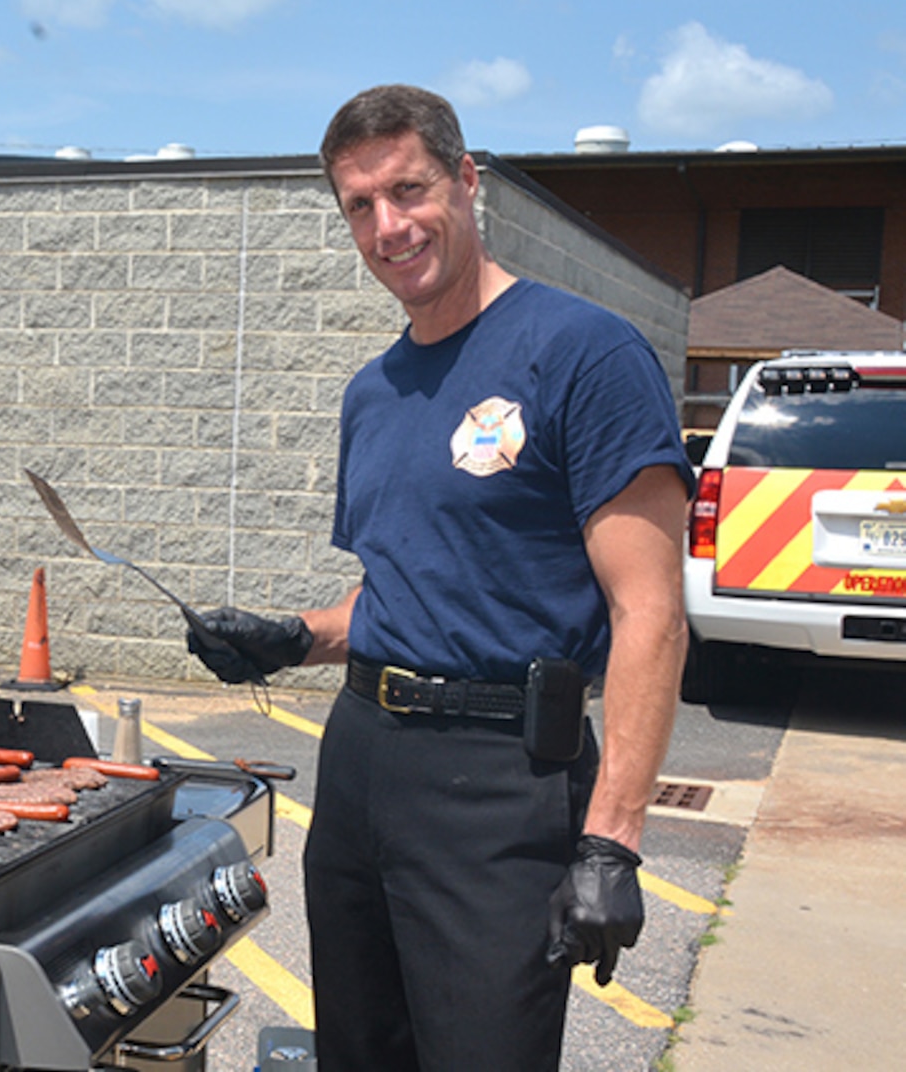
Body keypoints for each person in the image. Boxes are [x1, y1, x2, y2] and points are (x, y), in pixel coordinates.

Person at [188, 84, 694, 1071]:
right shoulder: (374, 393)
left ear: (465, 182)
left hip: (501, 784)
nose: (387, 226)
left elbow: (649, 613)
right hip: (361, 769)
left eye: (407, 190)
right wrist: (292, 636)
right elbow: (405, 589)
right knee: (360, 1053)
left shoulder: (581, 355)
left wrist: (609, 843)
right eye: (358, 207)